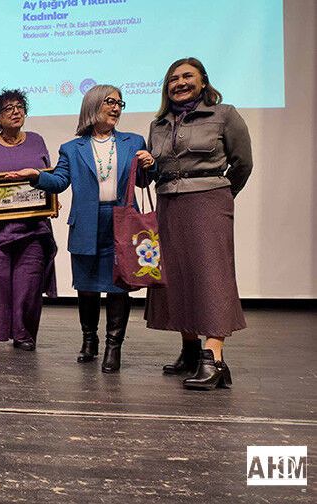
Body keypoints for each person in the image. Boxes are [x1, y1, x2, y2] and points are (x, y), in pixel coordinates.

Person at [143, 57, 253, 390]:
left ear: (203, 81)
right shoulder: (159, 124)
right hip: (168, 202)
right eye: (173, 78)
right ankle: (190, 350)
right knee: (175, 276)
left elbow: (242, 163)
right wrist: (147, 166)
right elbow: (153, 172)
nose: (180, 82)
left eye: (187, 76)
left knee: (211, 275)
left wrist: (220, 194)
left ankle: (214, 357)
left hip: (208, 201)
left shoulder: (225, 115)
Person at [29, 85, 155, 372]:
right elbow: (60, 181)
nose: (116, 108)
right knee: (86, 287)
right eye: (110, 102)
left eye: (120, 103)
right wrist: (37, 176)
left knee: (118, 286)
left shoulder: (133, 141)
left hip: (121, 220)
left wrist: (150, 164)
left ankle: (113, 347)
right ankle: (89, 340)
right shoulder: (72, 148)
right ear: (93, 105)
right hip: (86, 222)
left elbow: (144, 181)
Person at [0, 89, 57, 351]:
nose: (16, 112)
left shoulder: (37, 141)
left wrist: (52, 197)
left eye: (19, 107)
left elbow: (47, 176)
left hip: (33, 227)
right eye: (8, 109)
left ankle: (23, 334)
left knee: (29, 283)